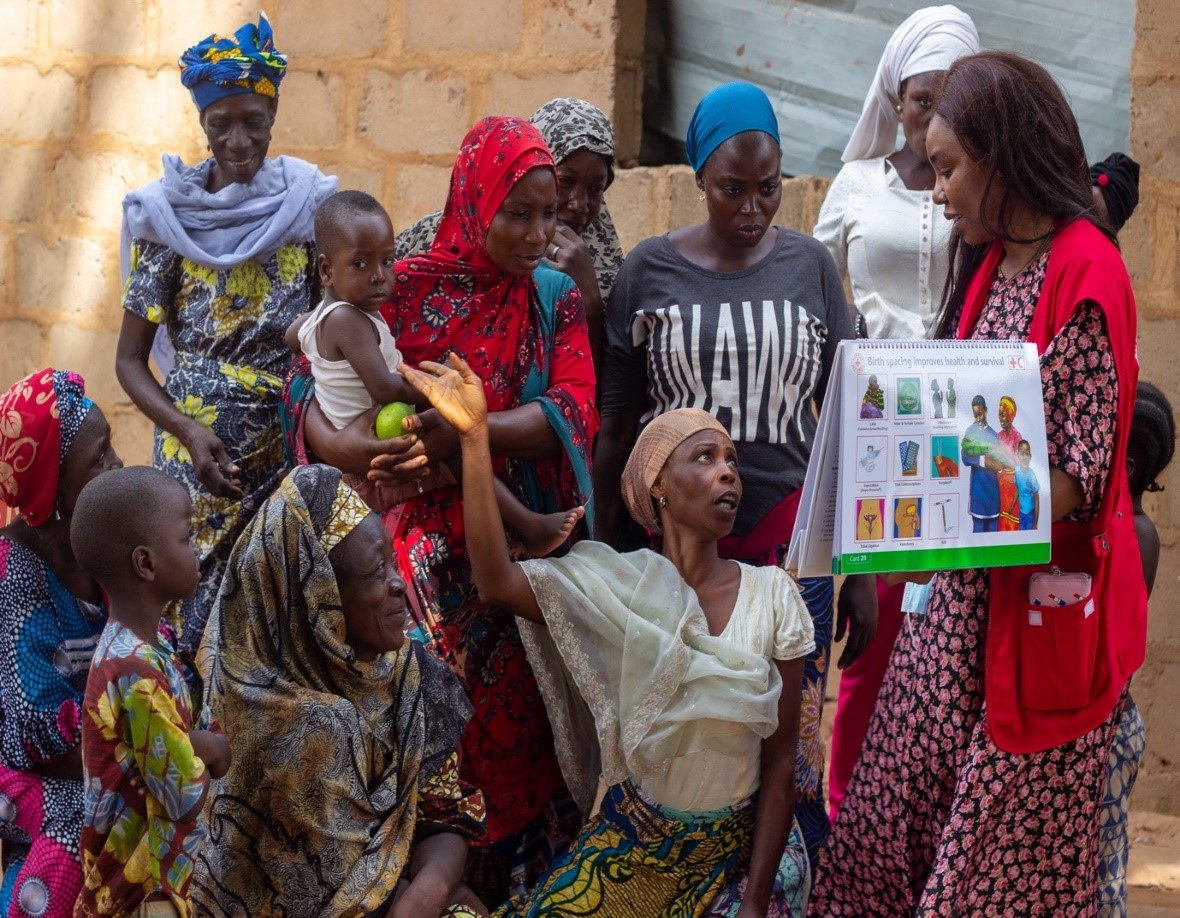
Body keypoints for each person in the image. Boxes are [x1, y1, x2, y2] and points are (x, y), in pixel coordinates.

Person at [812, 51, 1148, 915]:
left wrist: (944, 478)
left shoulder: (1084, 269)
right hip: (954, 624)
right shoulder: (995, 259)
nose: (937, 190)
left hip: (1031, 630)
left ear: (1007, 156)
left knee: (984, 880)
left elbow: (1083, 473)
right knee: (885, 840)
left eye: (953, 167)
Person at [286, 116, 598, 905]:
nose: (536, 233)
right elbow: (311, 380)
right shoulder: (406, 283)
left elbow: (572, 411)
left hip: (508, 560)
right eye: (516, 213)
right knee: (432, 739)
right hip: (409, 560)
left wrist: (467, 428)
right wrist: (343, 444)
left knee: (524, 742)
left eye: (548, 212)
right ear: (474, 202)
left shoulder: (554, 301)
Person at [404, 354, 814, 916]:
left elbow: (782, 764)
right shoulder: (617, 589)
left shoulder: (773, 593)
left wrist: (755, 902)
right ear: (659, 486)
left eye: (733, 463)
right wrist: (475, 440)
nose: (728, 473)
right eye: (705, 457)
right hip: (632, 841)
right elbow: (496, 583)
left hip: (736, 854)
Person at [594, 80, 875, 866]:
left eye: (769, 188)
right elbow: (617, 428)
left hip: (792, 541)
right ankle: (686, 879)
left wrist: (856, 565)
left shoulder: (812, 269)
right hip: (680, 553)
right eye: (732, 189)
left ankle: (779, 884)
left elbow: (849, 423)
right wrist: (612, 548)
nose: (753, 207)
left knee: (791, 739)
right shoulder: (649, 273)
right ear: (698, 180)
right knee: (688, 736)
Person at [115, 14, 336, 657]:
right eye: (221, 124)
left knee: (277, 624)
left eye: (253, 122)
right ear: (202, 125)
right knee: (194, 621)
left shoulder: (308, 209)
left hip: (288, 449)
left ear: (273, 116)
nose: (237, 140)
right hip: (197, 466)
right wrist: (187, 430)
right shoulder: (169, 220)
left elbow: (330, 333)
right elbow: (129, 362)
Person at [813, 4, 980, 817]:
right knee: (871, 635)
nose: (931, 117)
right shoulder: (854, 186)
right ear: (894, 96)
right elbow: (821, 302)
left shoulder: (986, 192)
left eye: (950, 98)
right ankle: (850, 818)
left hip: (969, 426)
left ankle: (938, 820)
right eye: (920, 99)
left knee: (954, 632)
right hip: (878, 430)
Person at [191, 464, 487, 918]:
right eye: (374, 572)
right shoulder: (266, 718)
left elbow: (443, 815)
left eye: (393, 561)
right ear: (316, 599)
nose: (398, 583)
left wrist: (428, 888)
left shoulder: (408, 675)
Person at [290, 190, 576, 555]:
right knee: (456, 443)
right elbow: (384, 389)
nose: (380, 277)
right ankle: (527, 523)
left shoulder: (334, 312)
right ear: (327, 270)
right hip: (374, 446)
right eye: (361, 265)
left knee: (451, 438)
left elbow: (293, 339)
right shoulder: (350, 318)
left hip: (374, 436)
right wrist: (436, 392)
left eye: (388, 262)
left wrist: (311, 332)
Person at [71, 467, 231, 918]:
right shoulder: (136, 671)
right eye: (184, 539)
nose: (196, 549)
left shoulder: (143, 646)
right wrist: (211, 746)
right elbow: (186, 795)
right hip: (141, 898)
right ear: (145, 563)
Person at [0, 369, 122, 918]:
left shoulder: (99, 551)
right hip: (19, 771)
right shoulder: (18, 575)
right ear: (52, 489)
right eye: (98, 459)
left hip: (97, 754)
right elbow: (38, 739)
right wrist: (143, 760)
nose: (116, 467)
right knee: (88, 830)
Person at [396, 97, 623, 370]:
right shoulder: (434, 240)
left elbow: (597, 392)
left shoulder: (601, 265)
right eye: (565, 182)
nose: (578, 204)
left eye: (596, 189)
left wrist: (590, 302)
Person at [960, 394, 1005, 532]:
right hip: (978, 490)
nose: (978, 418)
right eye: (975, 415)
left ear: (986, 410)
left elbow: (1000, 461)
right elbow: (965, 457)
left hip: (993, 492)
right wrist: (983, 460)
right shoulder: (970, 431)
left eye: (980, 413)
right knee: (978, 531)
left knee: (993, 532)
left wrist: (999, 465)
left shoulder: (994, 435)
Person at [996, 395, 1023, 530]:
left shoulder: (1017, 436)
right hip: (1001, 484)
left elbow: (1017, 463)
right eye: (1000, 414)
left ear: (1012, 416)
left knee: (1012, 521)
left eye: (1005, 415)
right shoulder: (998, 436)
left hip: (1013, 486)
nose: (1001, 418)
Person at [1014, 440, 1040, 531]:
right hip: (1021, 514)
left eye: (1027, 454)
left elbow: (1037, 498)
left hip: (1030, 515)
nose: (1025, 457)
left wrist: (1035, 523)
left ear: (1030, 456)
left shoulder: (1032, 475)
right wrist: (1012, 506)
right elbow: (1017, 489)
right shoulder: (1016, 472)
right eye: (1022, 454)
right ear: (1018, 455)